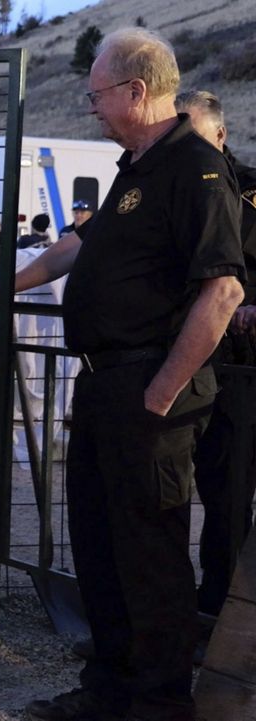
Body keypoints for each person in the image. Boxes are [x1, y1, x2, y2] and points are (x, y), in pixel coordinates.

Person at [15, 29, 244, 721]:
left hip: (149, 390)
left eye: (97, 93)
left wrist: (162, 390)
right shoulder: (137, 167)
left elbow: (223, 293)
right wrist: (4, 287)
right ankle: (109, 690)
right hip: (105, 386)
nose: (91, 107)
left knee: (148, 554)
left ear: (136, 92)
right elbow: (79, 249)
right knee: (102, 544)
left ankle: (156, 701)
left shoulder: (194, 168)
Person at [176, 89, 256, 620]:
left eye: (191, 132)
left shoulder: (249, 190)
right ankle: (195, 607)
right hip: (191, 360)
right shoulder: (169, 182)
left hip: (241, 364)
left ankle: (227, 611)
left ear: (220, 135)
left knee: (230, 492)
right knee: (193, 492)